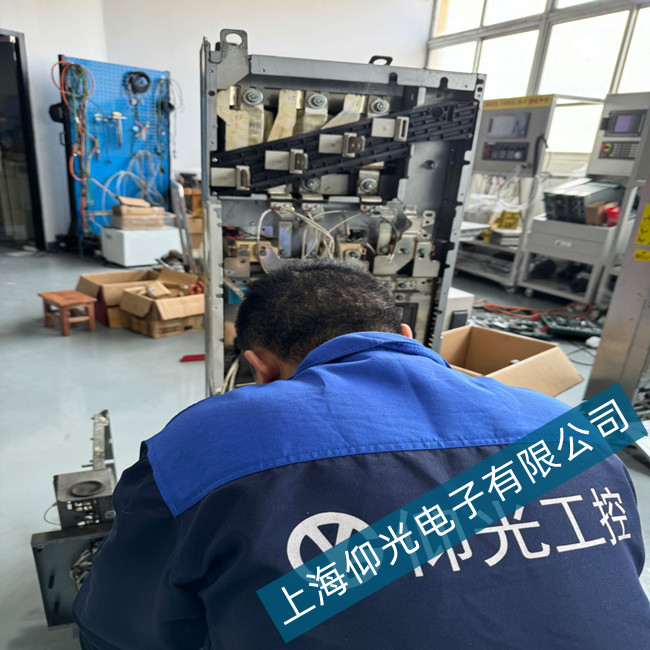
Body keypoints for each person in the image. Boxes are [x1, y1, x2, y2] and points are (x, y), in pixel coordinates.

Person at [73, 259, 650, 649]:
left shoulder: (208, 442)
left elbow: (123, 625)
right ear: (406, 335)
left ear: (259, 368)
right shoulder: (567, 427)